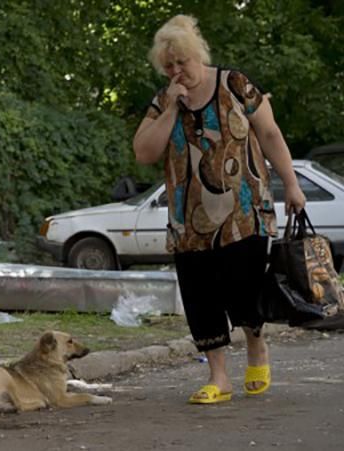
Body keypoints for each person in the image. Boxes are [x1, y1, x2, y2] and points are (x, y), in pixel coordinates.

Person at [132, 14, 306, 404]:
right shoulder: (164, 102)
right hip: (188, 220)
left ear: (198, 56)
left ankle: (256, 345)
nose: (178, 72)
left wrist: (291, 184)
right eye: (169, 66)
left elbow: (270, 133)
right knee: (200, 295)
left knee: (243, 289)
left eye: (183, 63)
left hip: (245, 212)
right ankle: (219, 377)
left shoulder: (235, 83)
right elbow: (144, 152)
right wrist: (174, 110)